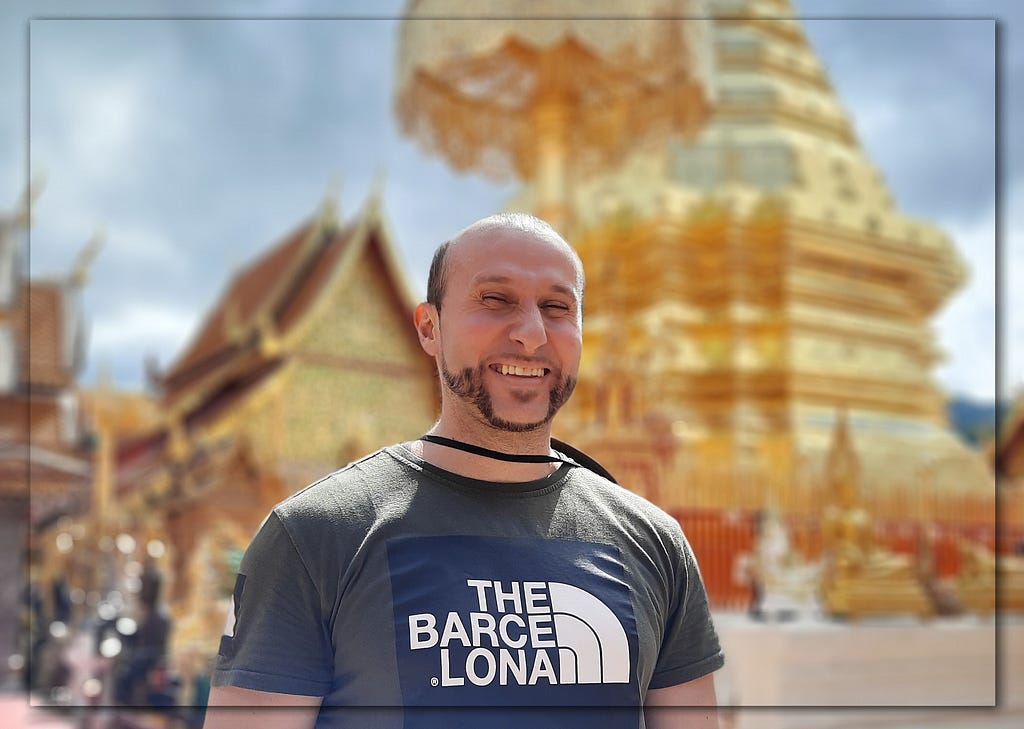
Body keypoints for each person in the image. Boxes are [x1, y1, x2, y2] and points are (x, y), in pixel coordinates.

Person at [204, 213, 723, 729]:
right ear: (430, 328)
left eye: (557, 307)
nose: (531, 333)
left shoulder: (655, 545)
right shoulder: (316, 538)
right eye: (496, 300)